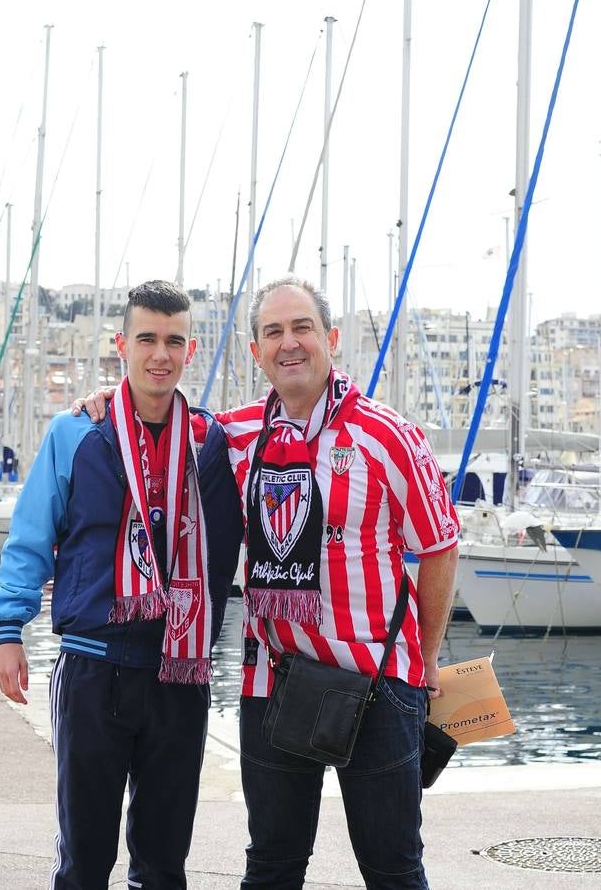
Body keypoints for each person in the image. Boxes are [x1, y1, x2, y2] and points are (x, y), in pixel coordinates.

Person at [77, 276, 459, 889]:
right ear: (255, 352)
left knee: (393, 868)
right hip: (274, 683)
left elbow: (440, 547)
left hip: (381, 683)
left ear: (331, 340)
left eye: (302, 328)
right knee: (273, 867)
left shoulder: (390, 437)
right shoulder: (230, 435)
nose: (290, 344)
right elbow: (156, 413)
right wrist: (105, 398)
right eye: (273, 332)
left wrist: (430, 660)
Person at [0, 279, 243, 890]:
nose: (161, 354)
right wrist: (8, 630)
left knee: (162, 864)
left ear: (192, 348)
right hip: (93, 668)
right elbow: (30, 536)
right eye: (147, 338)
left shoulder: (214, 443)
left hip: (179, 674)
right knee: (84, 860)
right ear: (121, 344)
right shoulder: (75, 432)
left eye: (174, 341)